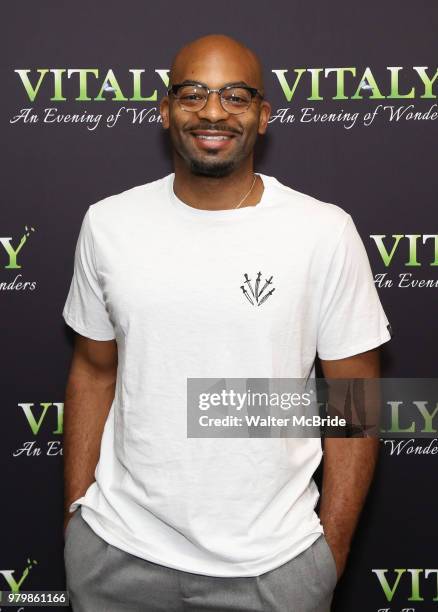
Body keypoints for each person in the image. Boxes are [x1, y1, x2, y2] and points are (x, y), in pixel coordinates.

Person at [62, 33, 392, 612]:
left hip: (275, 569)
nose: (213, 111)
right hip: (116, 557)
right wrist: (76, 522)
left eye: (236, 96)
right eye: (193, 93)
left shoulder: (323, 231)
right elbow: (93, 372)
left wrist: (326, 557)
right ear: (165, 110)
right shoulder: (109, 223)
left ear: (263, 116)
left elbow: (353, 398)